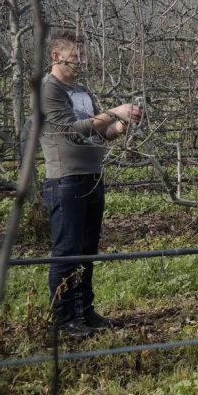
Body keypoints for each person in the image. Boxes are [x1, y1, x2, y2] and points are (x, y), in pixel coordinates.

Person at [40, 29, 143, 337]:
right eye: (76, 56)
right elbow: (72, 131)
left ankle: (85, 312)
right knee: (67, 250)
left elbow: (98, 132)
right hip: (65, 181)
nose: (82, 61)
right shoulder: (49, 89)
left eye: (83, 55)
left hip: (92, 177)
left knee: (86, 250)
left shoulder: (82, 91)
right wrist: (114, 111)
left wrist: (121, 125)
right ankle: (64, 319)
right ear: (57, 56)